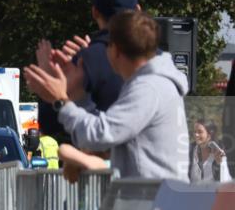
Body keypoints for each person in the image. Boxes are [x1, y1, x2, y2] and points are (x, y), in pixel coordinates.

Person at [25, 10, 188, 180]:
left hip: (153, 202)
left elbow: (101, 135)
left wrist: (61, 100)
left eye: (106, 46)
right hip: (151, 200)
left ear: (115, 50)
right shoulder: (149, 84)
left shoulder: (149, 88)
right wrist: (79, 94)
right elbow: (109, 132)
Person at [37, 0, 141, 143]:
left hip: (105, 161)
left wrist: (53, 79)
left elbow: (49, 122)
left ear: (95, 12)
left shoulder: (89, 60)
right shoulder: (157, 59)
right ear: (137, 10)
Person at [189, 119, 230, 183]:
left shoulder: (219, 153)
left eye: (200, 132)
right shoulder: (190, 151)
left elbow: (225, 181)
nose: (196, 135)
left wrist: (219, 164)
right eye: (195, 132)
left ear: (209, 134)